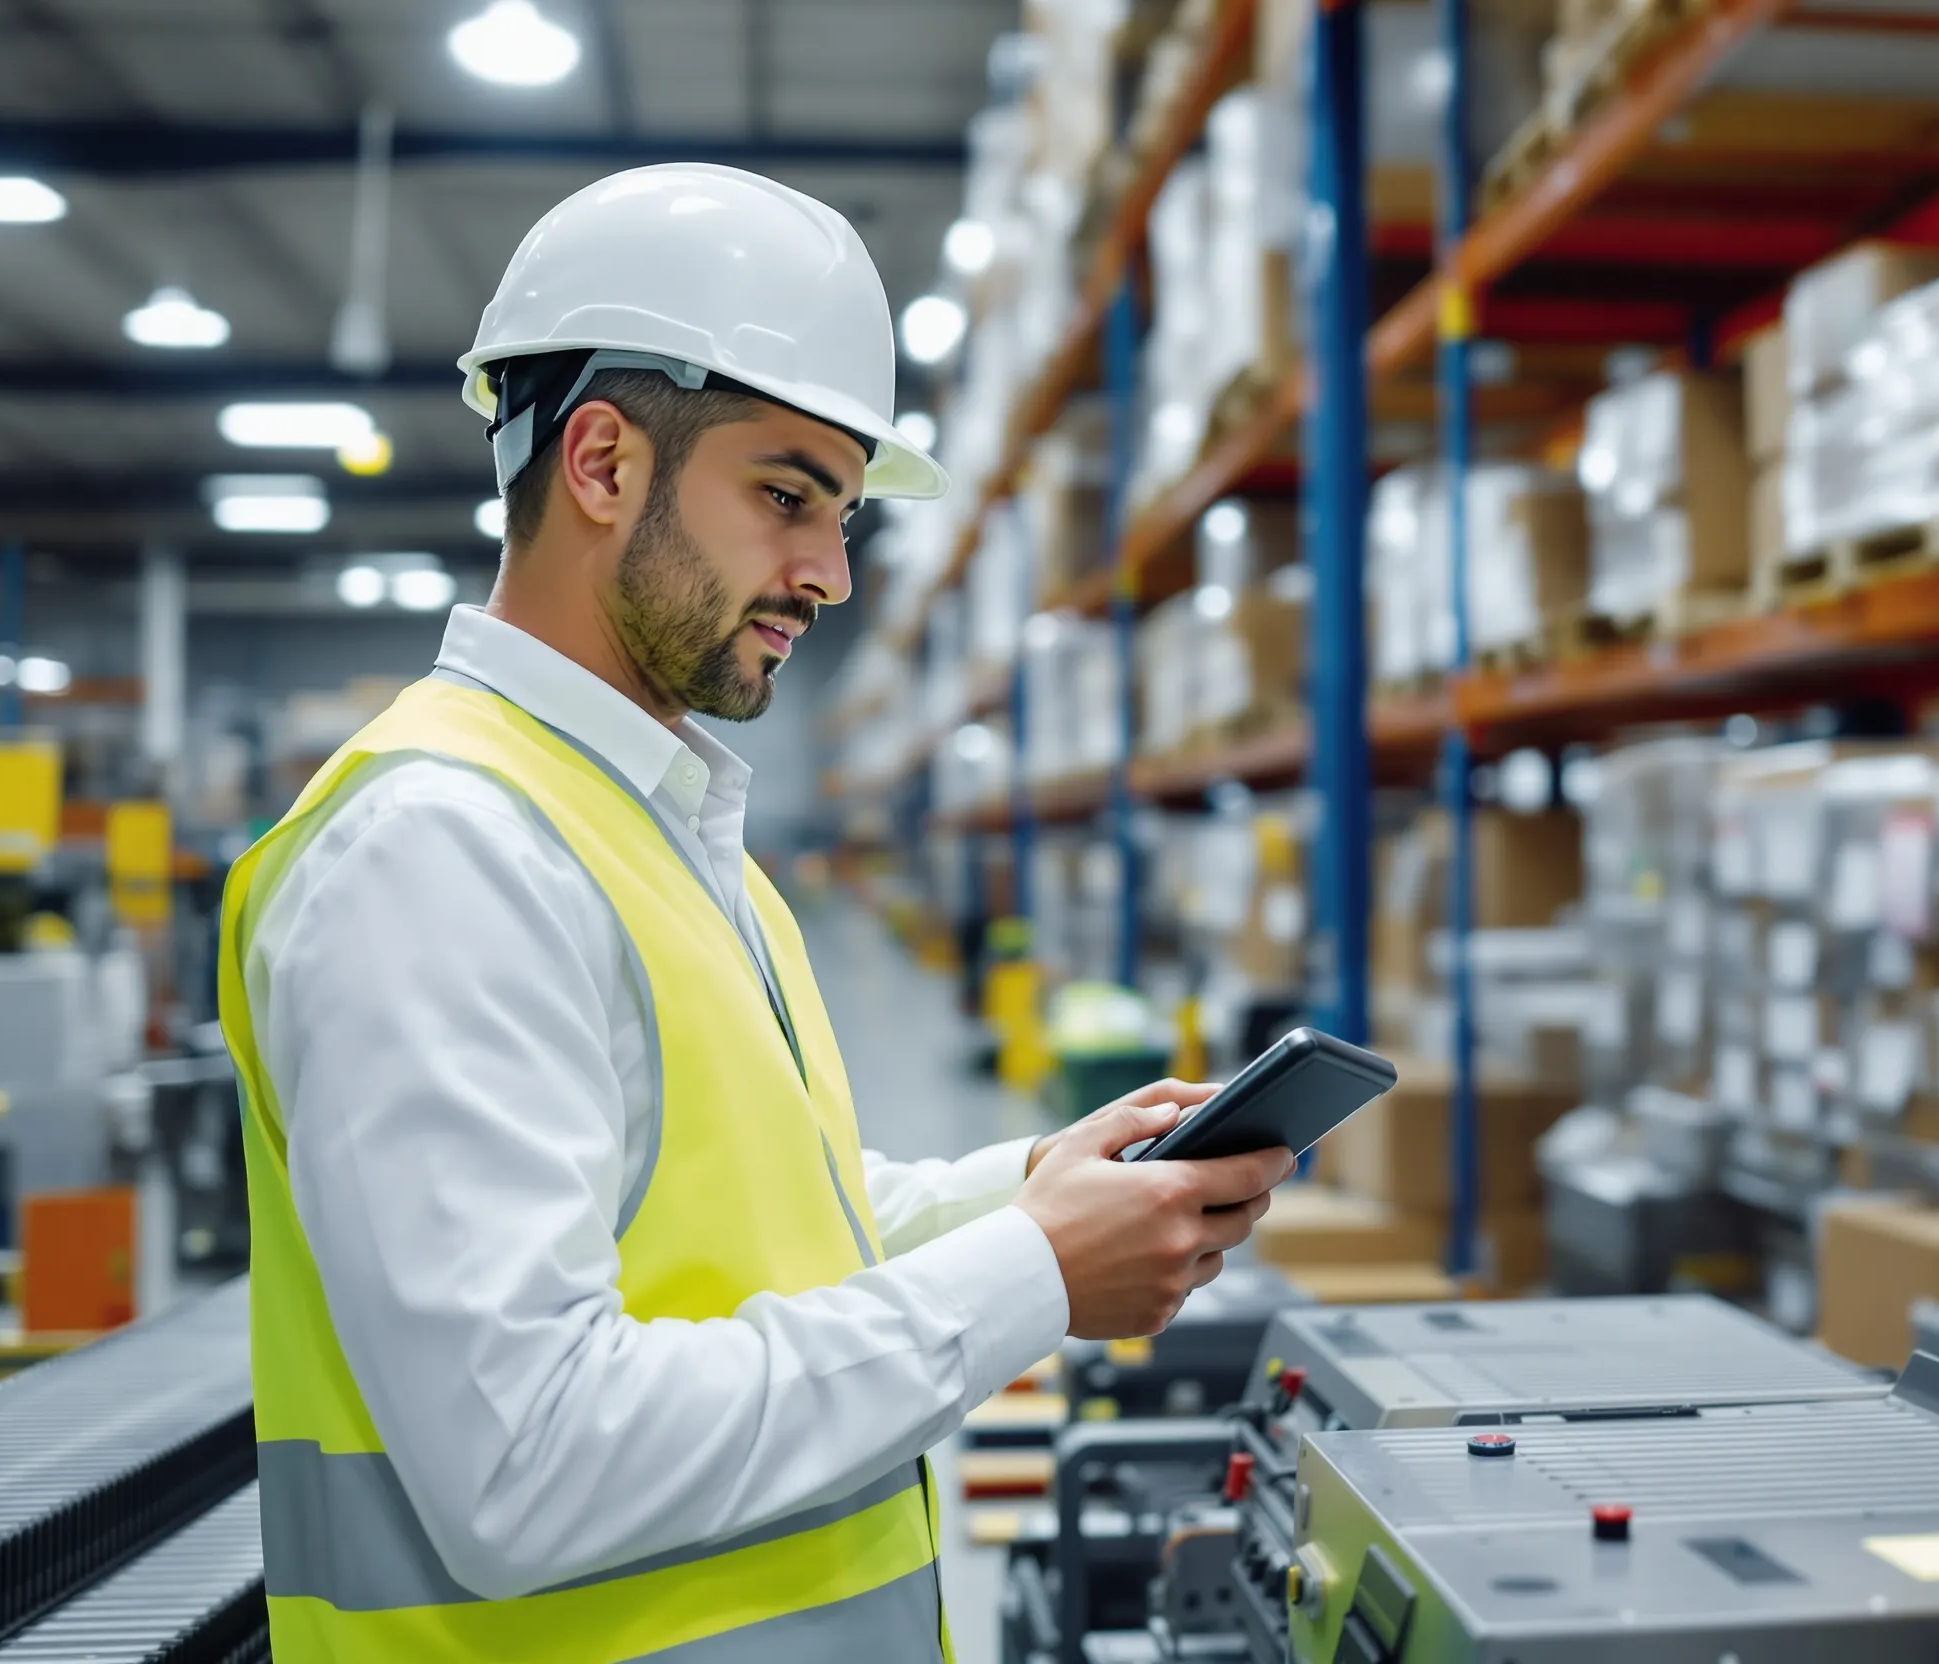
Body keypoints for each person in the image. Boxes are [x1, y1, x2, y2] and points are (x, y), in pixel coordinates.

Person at [215, 164, 1293, 1662]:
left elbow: (773, 1236)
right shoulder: (438, 847)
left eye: (844, 516)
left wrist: (1033, 1182)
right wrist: (1035, 1274)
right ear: (601, 461)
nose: (832, 575)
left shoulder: (656, 830)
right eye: (787, 497)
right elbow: (528, 1464)